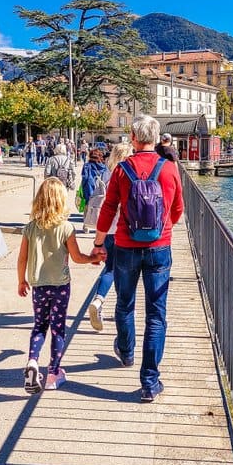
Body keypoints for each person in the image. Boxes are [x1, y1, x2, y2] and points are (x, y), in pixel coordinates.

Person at [92, 115, 184, 403]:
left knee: (125, 303)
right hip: (160, 248)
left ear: (132, 137)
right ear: (156, 138)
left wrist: (98, 243)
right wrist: (162, 227)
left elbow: (107, 210)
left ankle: (126, 351)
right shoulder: (169, 169)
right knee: (156, 315)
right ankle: (149, 382)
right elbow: (178, 211)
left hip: (125, 247)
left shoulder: (122, 170)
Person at [17, 177, 100, 394]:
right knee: (58, 328)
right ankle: (53, 374)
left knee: (39, 325)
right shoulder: (66, 228)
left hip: (38, 286)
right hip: (61, 286)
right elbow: (77, 257)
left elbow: (22, 259)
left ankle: (33, 362)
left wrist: (21, 280)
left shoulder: (30, 228)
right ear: (61, 200)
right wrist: (93, 259)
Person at [87, 142, 133, 332]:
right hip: (124, 229)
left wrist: (98, 240)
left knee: (111, 268)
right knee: (125, 272)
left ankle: (99, 299)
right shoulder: (129, 174)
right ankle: (120, 309)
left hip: (107, 229)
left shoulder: (107, 173)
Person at [81, 148, 110, 234]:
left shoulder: (87, 166)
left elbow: (84, 178)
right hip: (100, 191)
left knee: (87, 208)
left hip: (89, 189)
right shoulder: (104, 167)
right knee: (99, 208)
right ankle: (98, 227)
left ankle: (86, 227)